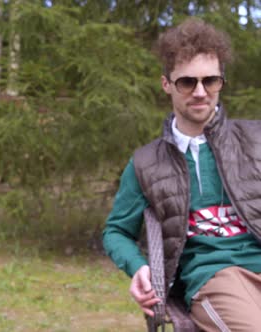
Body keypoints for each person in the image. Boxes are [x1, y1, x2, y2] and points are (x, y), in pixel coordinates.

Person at [102, 18, 261, 331]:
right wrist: (138, 267)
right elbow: (116, 231)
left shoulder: (256, 140)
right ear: (166, 84)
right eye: (187, 82)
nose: (200, 92)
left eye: (210, 81)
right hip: (216, 277)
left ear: (221, 82)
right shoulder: (147, 163)